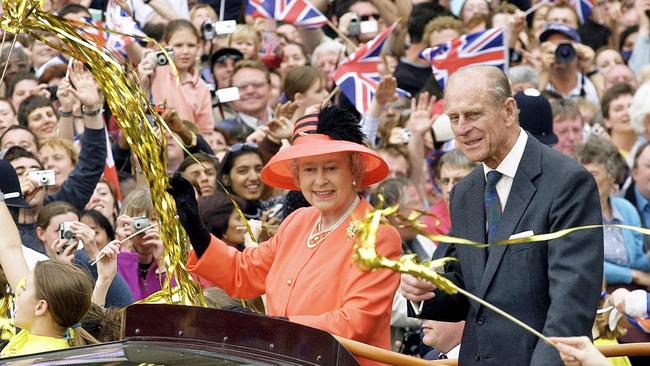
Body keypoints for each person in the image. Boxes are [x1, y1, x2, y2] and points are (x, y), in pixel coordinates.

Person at [401, 65, 603, 365]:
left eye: (473, 115)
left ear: (509, 110)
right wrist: (423, 290)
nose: (462, 128)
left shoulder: (567, 182)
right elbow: (466, 288)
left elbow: (570, 309)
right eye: (454, 118)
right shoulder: (464, 192)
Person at [171, 106, 401, 366]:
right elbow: (243, 273)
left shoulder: (378, 234)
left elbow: (355, 322)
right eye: (309, 170)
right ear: (297, 176)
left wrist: (270, 327)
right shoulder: (298, 221)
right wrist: (196, 230)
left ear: (354, 172)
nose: (320, 180)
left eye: (331, 168)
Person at [138, 20, 214, 134]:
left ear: (198, 48)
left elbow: (205, 131)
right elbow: (140, 110)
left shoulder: (202, 87)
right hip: (153, 140)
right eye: (178, 45)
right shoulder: (153, 72)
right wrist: (143, 78)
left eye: (191, 45)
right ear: (166, 47)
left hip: (188, 148)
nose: (185, 51)